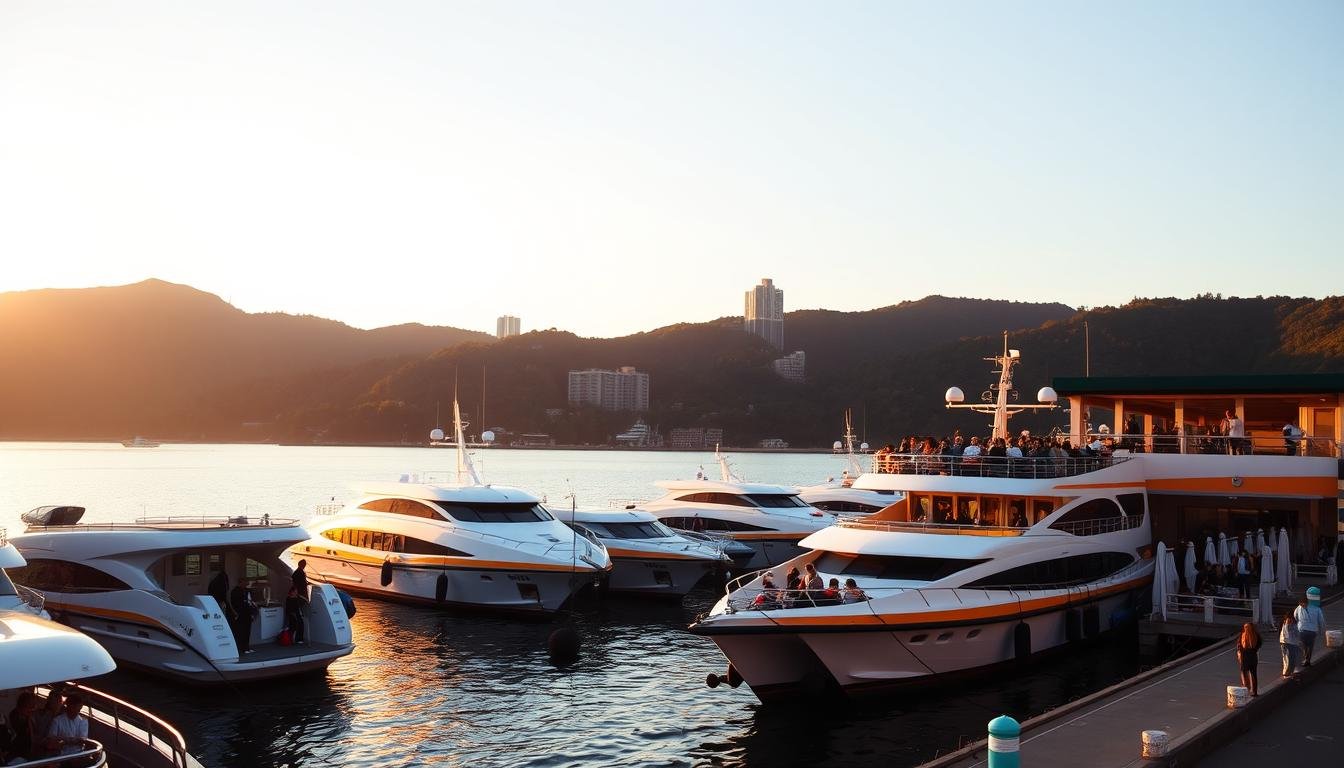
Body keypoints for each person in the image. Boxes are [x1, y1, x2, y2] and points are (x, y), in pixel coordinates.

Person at [45, 693, 88, 758]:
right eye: (74, 707)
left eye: (79, 708)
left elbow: (82, 740)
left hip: (78, 756)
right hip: (60, 756)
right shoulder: (57, 720)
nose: (78, 711)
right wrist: (72, 740)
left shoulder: (84, 721)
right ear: (68, 705)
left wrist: (64, 740)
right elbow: (51, 739)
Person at [6, 691, 39, 763]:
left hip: (27, 755)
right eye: (30, 705)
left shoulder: (28, 717)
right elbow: (19, 737)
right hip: (15, 757)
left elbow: (32, 736)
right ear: (23, 704)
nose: (33, 708)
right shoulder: (15, 716)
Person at [1294, 594, 1326, 667]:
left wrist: (1299, 623)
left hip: (1303, 630)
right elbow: (1321, 620)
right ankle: (1307, 660)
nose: (1301, 604)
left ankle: (1306, 660)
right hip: (1312, 631)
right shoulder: (1317, 608)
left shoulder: (1298, 608)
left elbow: (1295, 616)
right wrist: (1321, 630)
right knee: (1309, 646)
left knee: (1304, 646)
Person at [230, 582, 258, 654]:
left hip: (246, 614)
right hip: (242, 614)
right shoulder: (237, 592)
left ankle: (246, 647)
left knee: (246, 631)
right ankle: (243, 648)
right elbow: (239, 604)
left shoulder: (245, 591)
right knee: (242, 631)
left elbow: (249, 602)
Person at [1236, 622, 1261, 697]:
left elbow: (1239, 646)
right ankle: (1254, 691)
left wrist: (1239, 653)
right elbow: (1259, 644)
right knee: (1253, 674)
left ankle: (1246, 688)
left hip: (1245, 657)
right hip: (1253, 656)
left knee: (1244, 673)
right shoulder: (1256, 636)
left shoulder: (1243, 635)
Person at [1279, 612, 1300, 678]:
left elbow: (1297, 634)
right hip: (1286, 643)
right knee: (1287, 658)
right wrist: (1288, 625)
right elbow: (1286, 634)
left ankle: (1291, 671)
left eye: (1291, 619)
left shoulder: (1295, 625)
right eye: (1289, 619)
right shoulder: (1285, 625)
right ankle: (1286, 673)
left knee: (1293, 658)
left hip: (1293, 643)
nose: (1290, 621)